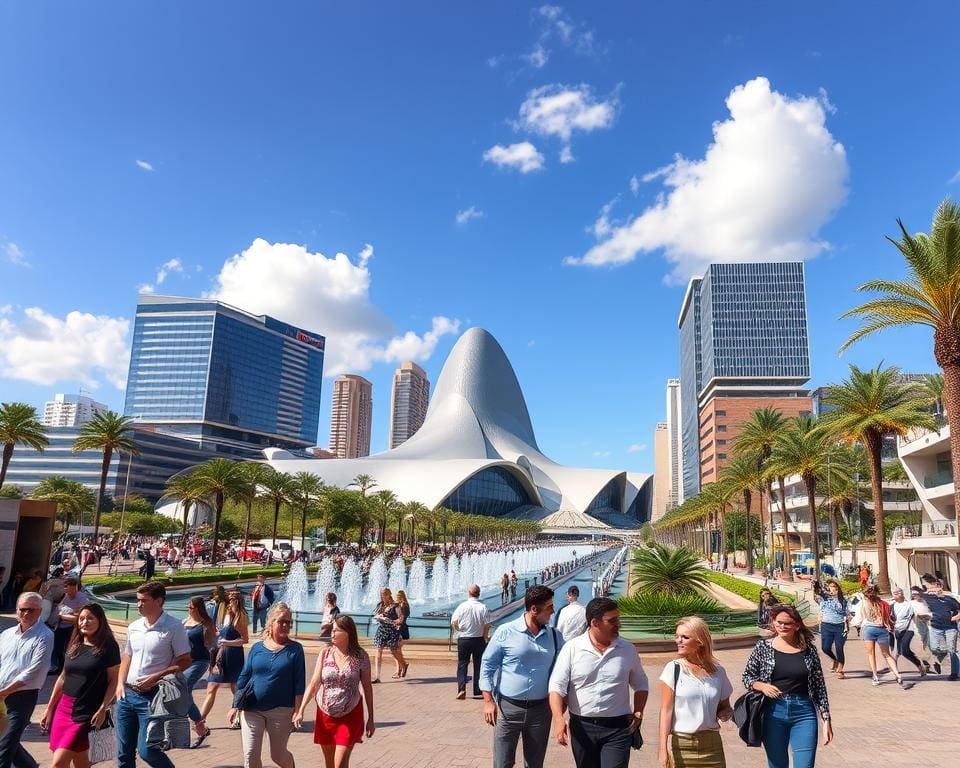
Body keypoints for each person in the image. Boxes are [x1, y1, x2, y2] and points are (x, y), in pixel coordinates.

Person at [549, 597, 648, 768]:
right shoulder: (572, 649)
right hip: (582, 728)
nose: (618, 624)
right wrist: (558, 718)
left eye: (618, 619)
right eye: (612, 620)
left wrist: (639, 711)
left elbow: (641, 684)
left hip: (618, 729)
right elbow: (556, 686)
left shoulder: (627, 649)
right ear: (595, 623)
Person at [479, 585, 561, 768]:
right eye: (549, 607)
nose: (553, 611)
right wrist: (488, 701)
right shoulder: (505, 632)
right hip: (509, 710)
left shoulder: (555, 636)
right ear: (534, 609)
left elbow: (569, 663)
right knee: (502, 763)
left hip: (540, 712)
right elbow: (487, 665)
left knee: (534, 764)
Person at [743, 603, 832, 768]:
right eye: (779, 622)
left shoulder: (809, 650)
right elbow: (747, 677)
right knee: (777, 764)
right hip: (773, 711)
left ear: (797, 626)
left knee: (805, 765)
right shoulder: (763, 647)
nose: (782, 626)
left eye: (787, 623)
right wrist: (762, 686)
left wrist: (826, 719)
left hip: (804, 712)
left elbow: (819, 687)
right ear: (773, 622)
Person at [116, 580, 191, 768]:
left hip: (153, 698)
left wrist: (157, 676)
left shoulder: (174, 627)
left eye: (144, 600)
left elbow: (185, 660)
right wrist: (119, 684)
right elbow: (127, 656)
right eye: (138, 600)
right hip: (127, 695)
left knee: (148, 750)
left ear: (159, 601)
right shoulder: (134, 626)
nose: (138, 604)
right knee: (124, 753)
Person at [40, 604, 121, 768]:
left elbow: (114, 680)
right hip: (64, 708)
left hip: (87, 712)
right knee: (81, 763)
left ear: (100, 621)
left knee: (58, 763)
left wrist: (103, 708)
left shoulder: (108, 647)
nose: (85, 622)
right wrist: (49, 708)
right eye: (82, 618)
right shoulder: (74, 643)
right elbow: (63, 677)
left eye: (90, 618)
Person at [230, 603, 305, 768]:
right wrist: (234, 705)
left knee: (278, 756)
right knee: (250, 756)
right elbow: (244, 677)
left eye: (288, 622)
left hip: (281, 710)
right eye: (281, 621)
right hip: (251, 708)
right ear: (271, 623)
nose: (285, 625)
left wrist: (298, 711)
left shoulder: (295, 650)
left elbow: (299, 683)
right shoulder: (257, 648)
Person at [297, 615, 375, 768]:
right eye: (332, 630)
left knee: (339, 763)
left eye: (336, 630)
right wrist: (301, 710)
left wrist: (371, 718)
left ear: (348, 632)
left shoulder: (360, 656)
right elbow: (314, 683)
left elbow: (367, 687)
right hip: (325, 714)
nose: (332, 633)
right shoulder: (325, 653)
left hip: (350, 713)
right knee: (330, 764)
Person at [657, 617, 732, 768]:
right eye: (677, 636)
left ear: (700, 641)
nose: (678, 641)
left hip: (712, 745)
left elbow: (725, 706)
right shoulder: (673, 669)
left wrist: (726, 713)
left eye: (685, 637)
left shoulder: (718, 672)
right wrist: (662, 749)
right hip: (681, 745)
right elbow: (666, 711)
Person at [0, 592, 54, 768]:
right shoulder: (7, 634)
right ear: (17, 610)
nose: (26, 613)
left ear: (40, 612)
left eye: (31, 610)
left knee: (4, 748)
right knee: (8, 741)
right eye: (22, 609)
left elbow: (33, 671)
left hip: (22, 698)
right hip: (1, 697)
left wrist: (6, 691)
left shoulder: (45, 635)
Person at [199, 590, 249, 727]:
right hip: (220, 655)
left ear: (236, 602)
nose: (227, 604)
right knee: (212, 686)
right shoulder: (224, 615)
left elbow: (245, 639)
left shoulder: (240, 617)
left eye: (230, 601)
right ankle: (200, 720)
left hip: (233, 656)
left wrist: (227, 642)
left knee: (235, 687)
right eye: (227, 601)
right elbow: (219, 633)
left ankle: (238, 717)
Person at [182, 597, 217, 747]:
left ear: (197, 608)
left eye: (190, 607)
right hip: (185, 661)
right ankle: (201, 727)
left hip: (200, 661)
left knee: (184, 687)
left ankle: (198, 723)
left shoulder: (206, 624)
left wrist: (214, 664)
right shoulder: (184, 622)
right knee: (183, 691)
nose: (188, 609)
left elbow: (213, 645)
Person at [451, 584, 491, 700]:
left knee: (462, 664)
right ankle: (477, 690)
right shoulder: (483, 607)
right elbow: (486, 625)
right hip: (478, 639)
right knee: (478, 664)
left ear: (468, 593)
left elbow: (454, 622)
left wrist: (459, 629)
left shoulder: (462, 606)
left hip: (464, 639)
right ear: (479, 593)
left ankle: (462, 688)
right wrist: (485, 638)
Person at [859, 585, 903, 686]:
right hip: (882, 630)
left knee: (871, 654)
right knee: (887, 654)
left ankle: (875, 677)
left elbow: (862, 616)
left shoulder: (865, 603)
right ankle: (898, 674)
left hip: (869, 629)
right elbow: (888, 618)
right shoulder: (884, 604)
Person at [50, 576, 91, 677]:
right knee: (57, 647)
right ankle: (59, 668)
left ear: (76, 588)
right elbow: (59, 608)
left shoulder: (82, 598)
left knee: (71, 649)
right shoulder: (65, 596)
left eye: (72, 590)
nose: (70, 593)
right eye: (67, 589)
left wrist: (64, 616)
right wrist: (69, 613)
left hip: (73, 627)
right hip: (61, 625)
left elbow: (81, 617)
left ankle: (69, 670)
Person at [921, 579, 960, 678]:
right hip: (936, 627)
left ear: (941, 587)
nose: (933, 589)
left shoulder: (950, 599)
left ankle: (954, 673)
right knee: (934, 648)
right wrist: (929, 590)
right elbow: (919, 593)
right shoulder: (929, 598)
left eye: (936, 586)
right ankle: (939, 658)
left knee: (952, 650)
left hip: (950, 628)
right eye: (931, 587)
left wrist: (956, 617)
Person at [815, 579, 850, 679]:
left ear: (838, 588)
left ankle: (840, 669)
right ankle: (835, 660)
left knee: (839, 647)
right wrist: (816, 584)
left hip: (840, 626)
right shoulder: (824, 598)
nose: (832, 589)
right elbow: (817, 590)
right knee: (825, 648)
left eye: (834, 586)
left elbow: (847, 615)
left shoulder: (843, 600)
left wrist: (847, 627)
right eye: (830, 586)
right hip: (826, 625)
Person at [371, 588, 406, 682]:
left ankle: (403, 665)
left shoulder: (395, 606)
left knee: (394, 651)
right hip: (381, 631)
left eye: (385, 594)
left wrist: (391, 621)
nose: (383, 596)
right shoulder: (381, 605)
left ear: (389, 594)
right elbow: (377, 615)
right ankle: (377, 677)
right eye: (382, 594)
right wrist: (379, 617)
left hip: (392, 631)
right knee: (378, 652)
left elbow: (401, 618)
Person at [889, 588, 925, 677]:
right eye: (895, 593)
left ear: (902, 594)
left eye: (899, 593)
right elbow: (889, 617)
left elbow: (917, 613)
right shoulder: (892, 606)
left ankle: (919, 665)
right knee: (895, 651)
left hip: (908, 629)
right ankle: (895, 671)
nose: (897, 595)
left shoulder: (909, 604)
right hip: (896, 630)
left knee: (904, 650)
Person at [909, 586, 934, 672]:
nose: (915, 595)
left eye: (916, 593)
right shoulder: (911, 603)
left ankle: (930, 663)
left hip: (928, 627)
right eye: (913, 594)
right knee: (920, 647)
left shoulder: (926, 602)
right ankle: (925, 665)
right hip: (917, 628)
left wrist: (928, 616)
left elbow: (932, 612)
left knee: (928, 646)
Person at [395, 590, 411, 656]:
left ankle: (400, 657)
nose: (397, 597)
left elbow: (403, 616)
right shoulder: (404, 604)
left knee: (398, 642)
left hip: (401, 625)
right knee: (398, 643)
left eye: (398, 596)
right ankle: (400, 656)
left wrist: (399, 623)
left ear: (400, 596)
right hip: (402, 624)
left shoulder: (403, 604)